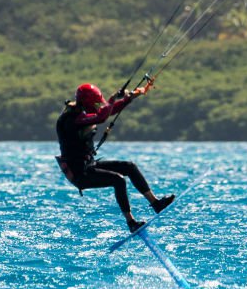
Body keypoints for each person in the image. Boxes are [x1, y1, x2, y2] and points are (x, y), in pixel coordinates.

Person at [55, 82, 175, 232]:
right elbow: (102, 116)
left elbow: (109, 111)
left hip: (88, 165)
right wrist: (112, 99)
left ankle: (156, 203)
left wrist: (131, 97)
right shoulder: (71, 119)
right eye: (96, 102)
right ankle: (131, 222)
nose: (98, 105)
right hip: (79, 173)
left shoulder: (81, 114)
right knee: (118, 180)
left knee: (129, 167)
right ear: (88, 102)